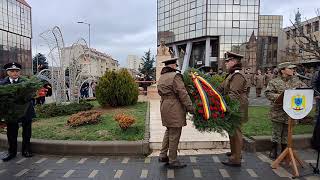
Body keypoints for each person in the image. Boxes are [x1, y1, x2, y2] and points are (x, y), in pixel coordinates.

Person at [157, 57, 194, 169]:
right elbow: (182, 93)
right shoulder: (175, 76)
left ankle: (163, 155)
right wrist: (190, 107)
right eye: (176, 65)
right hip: (174, 107)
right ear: (173, 66)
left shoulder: (162, 77)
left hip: (165, 105)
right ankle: (173, 160)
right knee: (175, 134)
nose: (176, 67)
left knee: (169, 131)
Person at [265, 62, 306, 159]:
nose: (293, 70)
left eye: (293, 69)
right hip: (278, 111)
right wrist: (281, 97)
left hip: (291, 112)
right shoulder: (274, 82)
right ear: (282, 70)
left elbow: (305, 90)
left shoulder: (297, 81)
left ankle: (284, 150)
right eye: (290, 68)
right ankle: (274, 150)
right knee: (276, 132)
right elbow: (268, 93)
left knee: (286, 133)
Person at [217, 51, 248, 167]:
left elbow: (233, 94)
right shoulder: (231, 74)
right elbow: (221, 87)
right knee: (232, 130)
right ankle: (234, 152)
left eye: (228, 61)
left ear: (234, 62)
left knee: (236, 131)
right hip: (232, 105)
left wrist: (225, 107)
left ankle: (236, 158)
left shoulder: (238, 75)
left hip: (236, 106)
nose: (226, 63)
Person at [0, 62, 35, 161]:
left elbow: (32, 96)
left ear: (19, 72)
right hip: (11, 113)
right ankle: (12, 152)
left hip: (26, 110)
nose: (15, 73)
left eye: (17, 71)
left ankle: (26, 150)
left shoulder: (28, 83)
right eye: (12, 71)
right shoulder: (2, 84)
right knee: (11, 132)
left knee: (27, 132)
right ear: (7, 72)